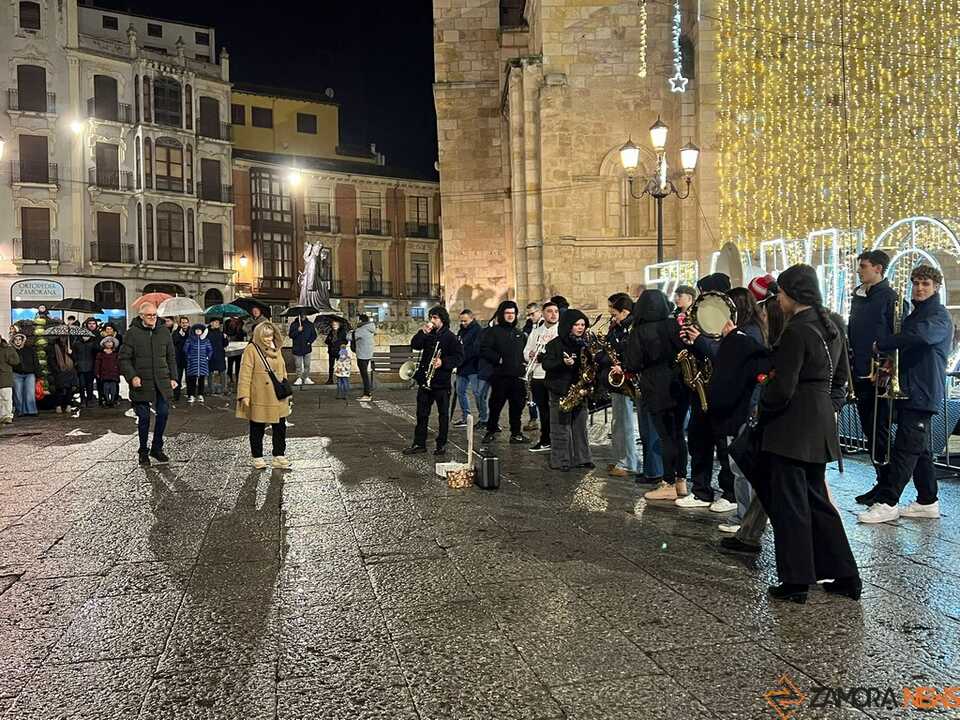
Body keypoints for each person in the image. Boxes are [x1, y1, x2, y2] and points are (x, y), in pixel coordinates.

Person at [755, 263, 860, 603]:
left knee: (791, 504)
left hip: (792, 425)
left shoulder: (797, 331)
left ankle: (796, 581)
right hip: (819, 422)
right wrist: (827, 406)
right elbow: (841, 379)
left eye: (781, 293)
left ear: (792, 294)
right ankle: (846, 575)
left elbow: (782, 388)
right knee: (817, 501)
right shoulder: (832, 326)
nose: (778, 299)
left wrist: (763, 408)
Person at [858, 265, 953, 523]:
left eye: (925, 284)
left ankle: (888, 502)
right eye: (916, 283)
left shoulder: (938, 316)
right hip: (913, 390)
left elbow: (919, 337)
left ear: (936, 287)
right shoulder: (917, 314)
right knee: (919, 449)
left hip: (922, 391)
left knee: (905, 448)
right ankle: (927, 500)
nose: (919, 288)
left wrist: (885, 343)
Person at [707, 288, 769, 534]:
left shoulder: (745, 335)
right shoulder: (747, 332)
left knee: (741, 467)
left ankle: (746, 518)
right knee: (740, 466)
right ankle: (747, 516)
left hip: (743, 410)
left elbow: (737, 367)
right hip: (742, 408)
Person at [677, 272, 736, 510]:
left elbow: (725, 353)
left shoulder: (730, 316)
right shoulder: (700, 314)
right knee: (699, 441)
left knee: (723, 445)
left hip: (721, 388)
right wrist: (689, 341)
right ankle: (701, 490)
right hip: (701, 385)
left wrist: (700, 340)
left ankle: (730, 493)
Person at [626, 289, 688, 500]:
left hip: (655, 386)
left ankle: (668, 483)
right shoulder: (673, 325)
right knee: (678, 434)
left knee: (665, 436)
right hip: (679, 384)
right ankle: (681, 481)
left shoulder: (639, 331)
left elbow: (633, 364)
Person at [847, 250, 897, 504]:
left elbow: (895, 335)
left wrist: (887, 367)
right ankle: (881, 480)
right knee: (870, 432)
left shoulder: (890, 298)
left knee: (880, 432)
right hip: (861, 372)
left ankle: (888, 485)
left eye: (864, 266)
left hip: (879, 375)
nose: (859, 270)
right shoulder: (858, 298)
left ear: (878, 268)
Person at [119, 303, 177, 466]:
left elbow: (171, 357)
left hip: (161, 381)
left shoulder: (164, 332)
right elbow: (123, 359)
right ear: (141, 316)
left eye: (154, 315)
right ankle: (143, 450)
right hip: (141, 382)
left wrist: (174, 377)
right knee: (144, 417)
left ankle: (157, 448)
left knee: (163, 413)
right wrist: (132, 376)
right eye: (149, 315)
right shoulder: (132, 333)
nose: (152, 318)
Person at [402, 306, 464, 456]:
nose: (432, 321)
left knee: (443, 415)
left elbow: (459, 357)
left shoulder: (450, 337)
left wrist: (443, 362)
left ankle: (441, 444)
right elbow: (415, 345)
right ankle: (419, 444)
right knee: (421, 414)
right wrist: (422, 333)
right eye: (431, 318)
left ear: (442, 319)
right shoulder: (427, 334)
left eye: (435, 318)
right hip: (425, 381)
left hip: (441, 383)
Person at [541, 308, 594, 472]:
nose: (580, 328)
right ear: (568, 326)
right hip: (560, 391)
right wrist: (563, 363)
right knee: (560, 427)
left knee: (580, 427)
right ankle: (561, 460)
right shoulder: (554, 344)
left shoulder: (585, 344)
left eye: (583, 324)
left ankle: (582, 458)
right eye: (576, 325)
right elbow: (546, 364)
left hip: (580, 390)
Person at [236, 321, 291, 469]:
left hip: (278, 395)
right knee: (257, 426)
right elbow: (245, 373)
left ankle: (279, 455)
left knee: (280, 427)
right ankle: (257, 457)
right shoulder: (251, 349)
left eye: (271, 335)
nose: (268, 339)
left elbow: (283, 370)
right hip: (259, 395)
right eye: (265, 336)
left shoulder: (277, 348)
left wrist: (286, 390)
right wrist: (244, 395)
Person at [602, 293, 642, 478]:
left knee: (624, 423)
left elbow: (630, 353)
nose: (613, 317)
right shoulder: (619, 327)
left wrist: (622, 365)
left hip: (626, 380)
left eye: (615, 313)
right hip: (618, 381)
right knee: (618, 423)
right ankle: (622, 458)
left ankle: (627, 463)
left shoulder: (631, 329)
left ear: (625, 312)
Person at [481, 300, 529, 445]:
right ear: (502, 314)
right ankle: (491, 431)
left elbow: (524, 353)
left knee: (517, 407)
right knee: (495, 406)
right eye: (507, 313)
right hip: (500, 376)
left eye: (513, 313)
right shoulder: (493, 332)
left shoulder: (519, 333)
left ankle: (516, 433)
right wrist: (498, 359)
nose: (510, 315)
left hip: (517, 377)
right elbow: (484, 349)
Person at [523, 301, 559, 452]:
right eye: (549, 311)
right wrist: (529, 355)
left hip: (554, 376)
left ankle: (558, 439)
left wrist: (544, 357)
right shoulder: (536, 331)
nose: (553, 314)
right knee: (543, 410)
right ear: (543, 314)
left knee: (556, 410)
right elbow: (526, 351)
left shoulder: (561, 331)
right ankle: (545, 439)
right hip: (538, 375)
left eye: (556, 311)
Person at [454, 310, 488, 429]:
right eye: (461, 321)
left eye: (465, 321)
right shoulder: (461, 331)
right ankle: (466, 417)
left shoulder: (478, 331)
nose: (463, 323)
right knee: (460, 391)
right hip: (462, 367)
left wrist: (460, 359)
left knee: (478, 394)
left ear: (472, 318)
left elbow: (475, 350)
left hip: (474, 367)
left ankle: (484, 419)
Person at [522, 302, 543, 432]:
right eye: (528, 315)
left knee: (540, 396)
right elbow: (527, 346)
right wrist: (527, 354)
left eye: (532, 314)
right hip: (531, 365)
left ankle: (540, 420)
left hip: (542, 367)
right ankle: (533, 418)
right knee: (530, 394)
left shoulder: (544, 326)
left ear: (539, 312)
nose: (530, 317)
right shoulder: (530, 326)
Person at [72, 319, 100, 408]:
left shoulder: (94, 340)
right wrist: (76, 362)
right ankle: (83, 400)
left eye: (93, 323)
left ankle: (89, 399)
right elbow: (74, 353)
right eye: (90, 323)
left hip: (91, 366)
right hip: (80, 366)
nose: (91, 325)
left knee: (89, 384)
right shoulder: (77, 342)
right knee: (81, 385)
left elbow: (97, 351)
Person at [49, 337, 79, 416]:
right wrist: (57, 370)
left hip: (70, 371)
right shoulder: (54, 346)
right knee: (60, 389)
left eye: (65, 336)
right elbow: (51, 359)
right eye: (61, 336)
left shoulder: (70, 345)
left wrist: (71, 353)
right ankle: (58, 405)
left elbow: (76, 359)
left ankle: (68, 405)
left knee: (69, 388)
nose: (63, 338)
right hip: (60, 371)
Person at [184, 323, 213, 403]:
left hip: (202, 363)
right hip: (192, 363)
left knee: (201, 380)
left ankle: (200, 395)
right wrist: (189, 357)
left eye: (199, 330)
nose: (198, 331)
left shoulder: (206, 340)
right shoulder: (190, 339)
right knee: (192, 380)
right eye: (196, 330)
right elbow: (185, 349)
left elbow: (210, 350)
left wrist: (208, 357)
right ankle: (191, 395)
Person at [10, 333, 38, 417]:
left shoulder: (29, 349)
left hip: (29, 374)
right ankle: (20, 411)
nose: (18, 341)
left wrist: (38, 373)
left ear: (23, 340)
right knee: (18, 393)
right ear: (13, 341)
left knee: (30, 393)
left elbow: (35, 361)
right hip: (16, 374)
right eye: (16, 339)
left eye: (20, 339)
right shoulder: (11, 351)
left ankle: (31, 411)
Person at [352, 314, 377, 400]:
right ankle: (367, 393)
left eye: (358, 319)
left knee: (364, 375)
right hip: (367, 354)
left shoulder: (361, 329)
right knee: (365, 374)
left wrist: (351, 331)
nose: (357, 321)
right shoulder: (370, 328)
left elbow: (349, 337)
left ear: (361, 320)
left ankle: (367, 394)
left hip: (362, 355)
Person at [289, 314, 318, 386]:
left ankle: (306, 377)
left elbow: (314, 335)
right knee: (298, 365)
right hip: (297, 348)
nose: (303, 316)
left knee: (307, 364)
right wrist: (298, 330)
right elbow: (291, 335)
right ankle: (299, 378)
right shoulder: (294, 324)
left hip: (307, 348)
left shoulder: (310, 324)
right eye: (301, 315)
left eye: (304, 314)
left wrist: (309, 342)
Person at [95, 337, 121, 407]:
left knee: (113, 389)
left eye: (110, 342)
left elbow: (118, 363)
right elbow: (97, 364)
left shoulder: (115, 354)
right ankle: (107, 401)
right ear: (104, 344)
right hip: (104, 374)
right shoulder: (100, 354)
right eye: (107, 342)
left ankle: (112, 401)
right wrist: (97, 372)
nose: (109, 343)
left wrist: (119, 371)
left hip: (114, 374)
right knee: (105, 388)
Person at [0, 337, 21, 423]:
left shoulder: (8, 349)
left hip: (5, 376)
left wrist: (8, 358)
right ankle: (2, 416)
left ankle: (7, 416)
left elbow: (16, 361)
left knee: (6, 397)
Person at [206, 318, 228, 394]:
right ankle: (211, 389)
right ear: (211, 323)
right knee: (210, 373)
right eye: (216, 322)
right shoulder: (206, 333)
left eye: (218, 322)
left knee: (223, 372)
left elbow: (225, 344)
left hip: (220, 355)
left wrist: (225, 338)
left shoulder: (220, 333)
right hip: (210, 356)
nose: (218, 324)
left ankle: (224, 389)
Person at [224, 317, 246, 389]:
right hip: (231, 345)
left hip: (239, 345)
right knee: (230, 363)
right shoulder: (227, 322)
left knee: (238, 364)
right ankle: (230, 378)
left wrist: (239, 330)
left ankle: (238, 378)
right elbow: (226, 332)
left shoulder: (241, 322)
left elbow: (243, 333)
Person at [171, 316, 190, 401]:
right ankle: (176, 396)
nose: (184, 324)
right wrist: (179, 335)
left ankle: (190, 394)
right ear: (180, 324)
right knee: (177, 378)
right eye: (183, 323)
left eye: (186, 323)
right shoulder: (176, 332)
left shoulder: (191, 332)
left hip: (188, 359)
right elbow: (173, 342)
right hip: (179, 359)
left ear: (188, 323)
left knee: (189, 378)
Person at [324, 319, 347, 384]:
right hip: (331, 351)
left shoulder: (342, 332)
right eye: (333, 324)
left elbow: (346, 341)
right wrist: (329, 340)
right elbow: (326, 341)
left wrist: (339, 343)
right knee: (331, 366)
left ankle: (340, 379)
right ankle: (330, 379)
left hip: (339, 351)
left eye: (336, 324)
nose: (334, 326)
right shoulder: (331, 332)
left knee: (340, 366)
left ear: (339, 325)